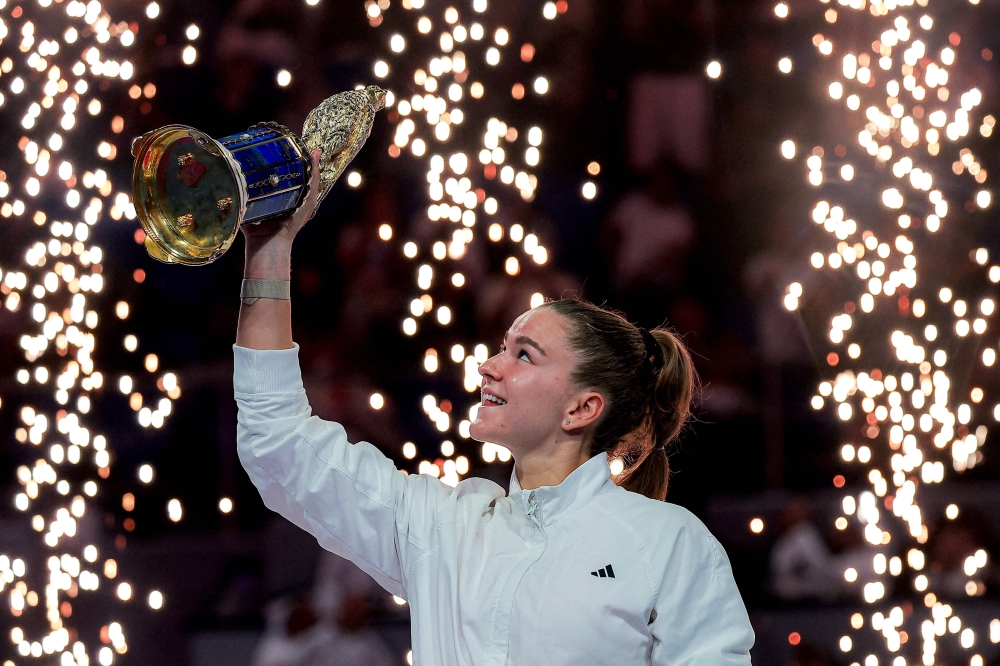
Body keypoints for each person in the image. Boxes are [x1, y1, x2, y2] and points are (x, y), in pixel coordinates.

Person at [234, 151, 754, 664]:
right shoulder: (440, 525)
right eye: (501, 347)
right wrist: (269, 248)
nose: (488, 366)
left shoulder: (670, 544)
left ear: (581, 408)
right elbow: (278, 441)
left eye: (524, 355)